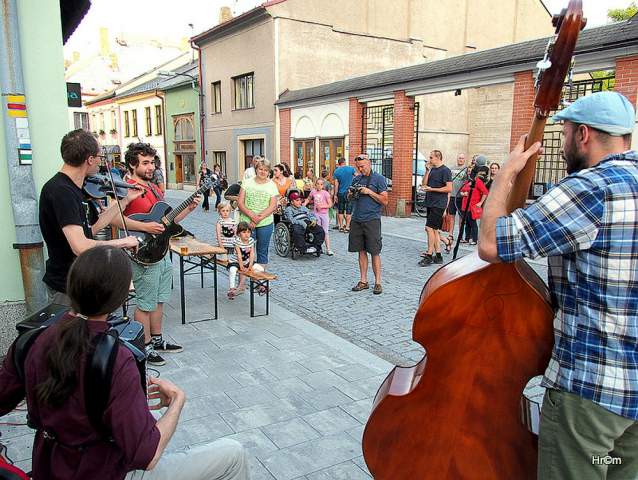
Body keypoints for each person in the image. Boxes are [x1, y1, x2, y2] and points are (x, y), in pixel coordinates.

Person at [478, 91, 638, 480]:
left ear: (583, 134)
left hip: (591, 395)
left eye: (564, 133)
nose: (563, 143)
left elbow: (491, 243)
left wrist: (505, 176)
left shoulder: (592, 188)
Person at [0, 246, 249, 480]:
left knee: (152, 414)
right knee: (233, 454)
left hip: (49, 467)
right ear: (120, 299)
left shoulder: (31, 341)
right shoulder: (117, 359)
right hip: (105, 472)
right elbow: (147, 456)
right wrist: (177, 402)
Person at [38, 129, 145, 306]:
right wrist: (123, 242)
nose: (100, 162)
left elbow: (91, 229)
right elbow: (80, 246)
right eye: (99, 157)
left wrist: (125, 201)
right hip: (66, 286)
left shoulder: (73, 189)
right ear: (89, 159)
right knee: (71, 325)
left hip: (79, 281)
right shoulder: (61, 192)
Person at [123, 142, 199, 366]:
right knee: (145, 302)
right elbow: (116, 219)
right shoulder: (126, 188)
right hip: (143, 252)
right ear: (132, 164)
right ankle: (144, 346)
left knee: (159, 299)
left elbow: (167, 222)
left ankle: (156, 340)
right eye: (145, 163)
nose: (151, 167)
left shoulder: (154, 188)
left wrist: (189, 208)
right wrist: (145, 227)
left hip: (161, 250)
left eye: (152, 162)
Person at [348, 154, 388, 294]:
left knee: (375, 252)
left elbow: (385, 201)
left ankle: (378, 282)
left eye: (362, 166)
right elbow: (350, 198)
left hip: (372, 219)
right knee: (361, 251)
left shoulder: (379, 179)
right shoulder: (356, 179)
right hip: (357, 219)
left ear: (369, 163)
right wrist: (351, 194)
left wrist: (369, 191)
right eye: (358, 167)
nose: (360, 169)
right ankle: (363, 281)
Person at [238, 157, 278, 268]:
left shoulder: (272, 185)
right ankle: (243, 277)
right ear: (256, 169)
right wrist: (252, 216)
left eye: (266, 170)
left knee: (262, 252)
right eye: (260, 169)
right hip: (246, 223)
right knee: (244, 251)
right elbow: (240, 203)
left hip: (265, 223)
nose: (263, 172)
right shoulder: (247, 182)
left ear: (269, 172)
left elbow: (272, 206)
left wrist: (257, 219)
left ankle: (260, 276)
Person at [418, 150, 452, 266]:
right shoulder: (432, 170)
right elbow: (424, 184)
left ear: (438, 157)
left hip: (439, 204)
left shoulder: (445, 170)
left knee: (429, 228)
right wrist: (427, 171)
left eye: (431, 157)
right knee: (434, 230)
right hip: (430, 202)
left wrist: (432, 189)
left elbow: (449, 188)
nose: (429, 159)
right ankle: (438, 256)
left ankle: (429, 255)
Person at [227, 222, 256, 300]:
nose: (247, 234)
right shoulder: (237, 241)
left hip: (246, 261)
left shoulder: (251, 240)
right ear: (239, 233)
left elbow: (252, 254)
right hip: (236, 261)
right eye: (244, 232)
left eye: (248, 232)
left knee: (259, 268)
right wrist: (242, 267)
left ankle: (259, 285)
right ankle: (232, 288)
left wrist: (250, 265)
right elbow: (239, 255)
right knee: (232, 270)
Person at [458, 172, 488, 245]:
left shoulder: (478, 181)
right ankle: (467, 238)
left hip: (472, 206)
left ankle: (475, 240)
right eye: (468, 171)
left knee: (473, 223)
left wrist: (480, 203)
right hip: (465, 206)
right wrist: (463, 194)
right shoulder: (467, 181)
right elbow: (461, 191)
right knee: (467, 223)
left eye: (471, 171)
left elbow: (485, 192)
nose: (469, 173)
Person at [306, 178, 334, 255]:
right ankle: (318, 247)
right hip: (316, 214)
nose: (319, 186)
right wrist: (304, 204)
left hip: (324, 214)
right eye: (317, 184)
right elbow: (309, 198)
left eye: (321, 184)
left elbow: (330, 204)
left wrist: (322, 206)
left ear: (323, 185)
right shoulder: (313, 192)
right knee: (317, 231)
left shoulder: (325, 193)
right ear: (315, 184)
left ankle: (328, 249)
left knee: (325, 231)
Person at [446, 153, 468, 244]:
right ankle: (450, 234)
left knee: (461, 217)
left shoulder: (466, 169)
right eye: (459, 158)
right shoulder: (451, 169)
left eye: (462, 158)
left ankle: (460, 235)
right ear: (457, 158)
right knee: (451, 216)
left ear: (464, 159)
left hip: (461, 197)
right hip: (452, 195)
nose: (461, 160)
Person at [332, 156, 356, 232]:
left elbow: (336, 184)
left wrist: (335, 195)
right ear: (344, 162)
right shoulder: (351, 169)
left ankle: (341, 226)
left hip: (340, 193)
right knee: (349, 211)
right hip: (349, 193)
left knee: (340, 210)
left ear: (339, 163)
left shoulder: (336, 171)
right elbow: (358, 176)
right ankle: (347, 227)